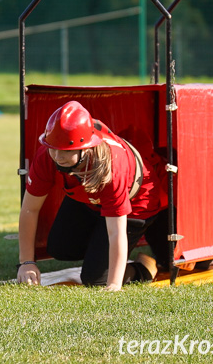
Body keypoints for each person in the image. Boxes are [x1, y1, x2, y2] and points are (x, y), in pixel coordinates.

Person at [17, 101, 170, 290]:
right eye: (53, 147)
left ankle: (144, 267)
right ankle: (99, 248)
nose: (56, 156)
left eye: (65, 151)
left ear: (86, 149)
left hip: (136, 205)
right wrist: (26, 262)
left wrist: (113, 284)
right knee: (59, 248)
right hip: (90, 201)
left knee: (96, 279)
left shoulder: (112, 168)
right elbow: (29, 209)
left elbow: (116, 232)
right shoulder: (47, 154)